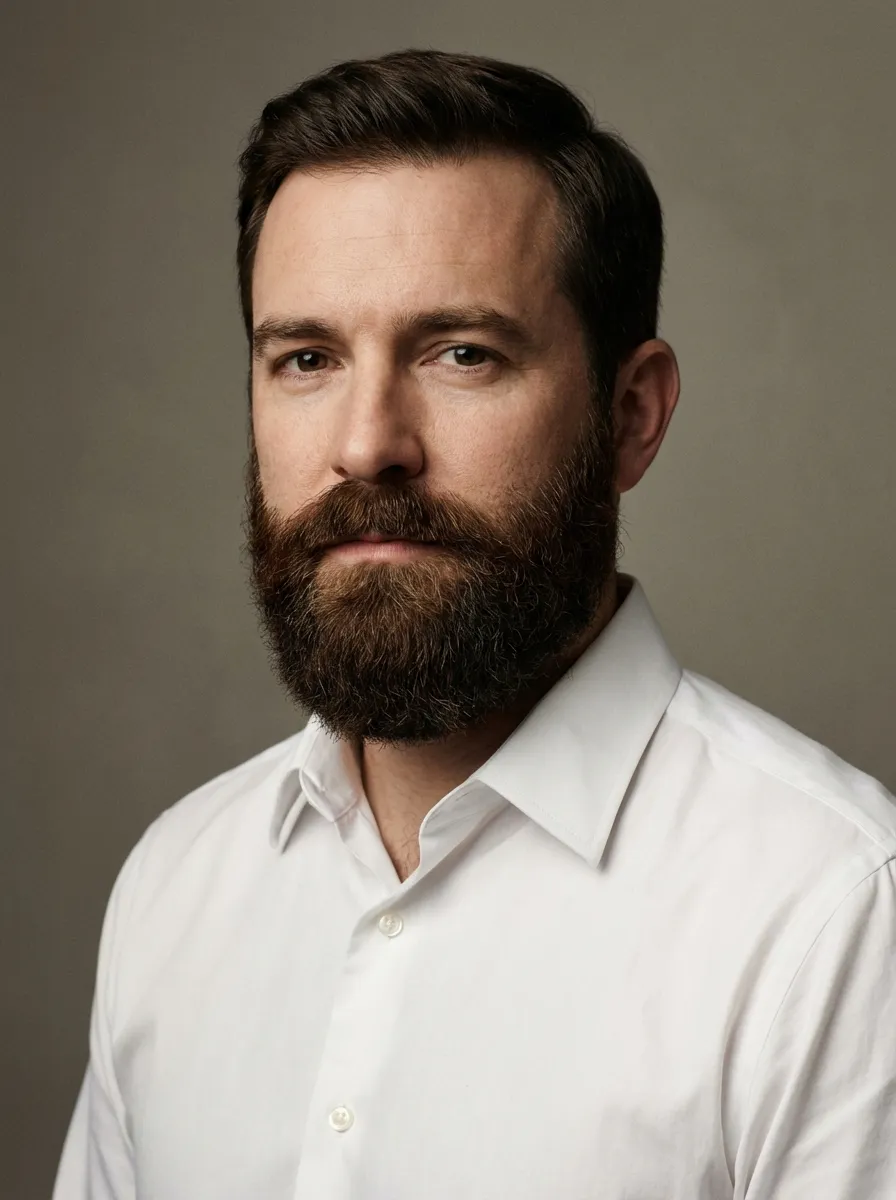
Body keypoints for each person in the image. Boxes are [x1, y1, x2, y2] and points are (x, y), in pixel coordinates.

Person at [53, 47, 896, 1200]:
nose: (367, 444)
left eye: (461, 354)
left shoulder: (835, 916)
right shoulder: (174, 888)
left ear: (630, 415)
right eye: (306, 358)